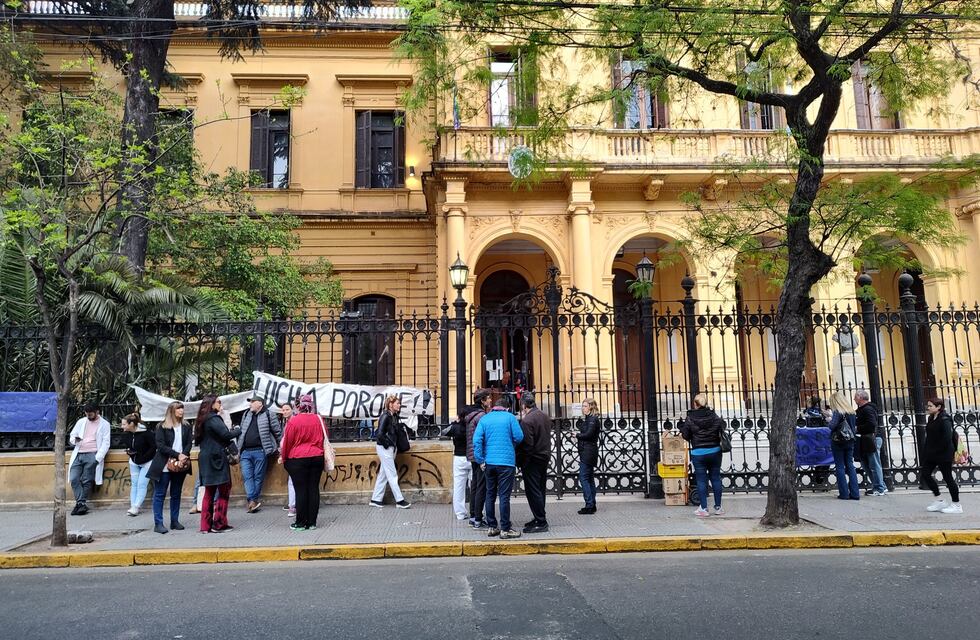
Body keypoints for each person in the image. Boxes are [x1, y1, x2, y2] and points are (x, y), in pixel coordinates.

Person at [473, 395, 524, 538]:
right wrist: (510, 444)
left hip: (489, 462)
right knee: (504, 496)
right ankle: (505, 529)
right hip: (506, 463)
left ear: (494, 407)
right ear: (506, 407)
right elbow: (519, 437)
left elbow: (477, 441)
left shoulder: (485, 418)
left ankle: (492, 526)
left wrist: (480, 460)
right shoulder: (510, 418)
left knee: (490, 494)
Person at [195, 396, 242, 533]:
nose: (220, 404)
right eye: (218, 402)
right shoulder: (213, 419)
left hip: (205, 457)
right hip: (216, 458)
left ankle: (205, 525)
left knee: (209, 491)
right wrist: (238, 429)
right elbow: (226, 434)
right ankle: (219, 523)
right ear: (212, 404)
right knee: (224, 488)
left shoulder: (201, 420)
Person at [280, 394, 326, 530]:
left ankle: (300, 522)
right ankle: (312, 522)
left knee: (300, 490)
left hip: (297, 458)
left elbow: (287, 442)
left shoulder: (294, 421)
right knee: (313, 489)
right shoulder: (319, 419)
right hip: (317, 457)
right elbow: (325, 437)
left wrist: (284, 458)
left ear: (298, 406)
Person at [148, 401, 193, 534]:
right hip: (164, 465)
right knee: (160, 494)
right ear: (172, 411)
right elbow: (160, 446)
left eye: (182, 409)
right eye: (178, 409)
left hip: (180, 464)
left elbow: (189, 442)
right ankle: (158, 523)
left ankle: (175, 520)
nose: (181, 411)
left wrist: (183, 455)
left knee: (176, 493)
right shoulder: (162, 426)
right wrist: (177, 454)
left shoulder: (186, 426)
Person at [680, 393, 725, 516]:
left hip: (698, 453)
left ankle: (704, 508)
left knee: (701, 480)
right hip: (715, 451)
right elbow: (721, 428)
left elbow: (685, 435)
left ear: (695, 404)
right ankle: (718, 507)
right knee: (715, 478)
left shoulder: (690, 418)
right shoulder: (714, 416)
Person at [237, 393, 282, 514]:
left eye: (252, 402)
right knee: (247, 476)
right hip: (245, 451)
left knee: (258, 477)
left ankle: (252, 501)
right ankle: (253, 500)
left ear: (260, 404)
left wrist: (281, 447)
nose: (250, 404)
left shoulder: (269, 414)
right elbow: (242, 430)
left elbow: (277, 432)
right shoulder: (246, 414)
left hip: (261, 451)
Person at [67, 403, 111, 516]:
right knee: (74, 478)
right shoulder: (81, 421)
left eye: (91, 414)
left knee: (87, 480)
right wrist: (75, 440)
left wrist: (97, 458)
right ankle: (81, 504)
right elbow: (72, 435)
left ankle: (80, 504)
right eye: (87, 414)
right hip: (78, 453)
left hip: (93, 454)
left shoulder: (105, 424)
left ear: (97, 412)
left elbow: (106, 443)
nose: (88, 416)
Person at [370, 395, 412, 509]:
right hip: (385, 448)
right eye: (397, 403)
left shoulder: (393, 416)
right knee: (392, 475)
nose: (399, 405)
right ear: (390, 404)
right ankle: (399, 500)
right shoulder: (385, 416)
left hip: (389, 448)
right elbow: (379, 434)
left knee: (383, 474)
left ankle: (375, 499)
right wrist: (387, 444)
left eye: (399, 403)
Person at [517, 393, 552, 533]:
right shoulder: (544, 416)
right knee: (540, 489)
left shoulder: (527, 421)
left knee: (533, 491)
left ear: (524, 405)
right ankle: (538, 517)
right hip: (544, 456)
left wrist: (522, 461)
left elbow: (528, 445)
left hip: (532, 459)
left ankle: (541, 521)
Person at [922, 397, 962, 514]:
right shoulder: (931, 418)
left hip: (944, 453)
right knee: (925, 474)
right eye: (928, 406)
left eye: (930, 406)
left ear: (938, 407)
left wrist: (935, 451)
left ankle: (956, 504)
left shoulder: (945, 419)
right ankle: (939, 500)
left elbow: (946, 439)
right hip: (933, 453)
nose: (928, 408)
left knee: (948, 478)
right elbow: (930, 437)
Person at [464, 389, 493, 528]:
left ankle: (473, 515)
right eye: (488, 398)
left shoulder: (471, 415)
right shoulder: (481, 416)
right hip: (479, 454)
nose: (490, 400)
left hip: (472, 453)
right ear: (482, 401)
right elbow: (483, 437)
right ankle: (478, 519)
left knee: (475, 484)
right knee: (481, 486)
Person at [827, 391, 860, 501]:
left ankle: (844, 493)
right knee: (850, 465)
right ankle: (855, 493)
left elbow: (832, 426)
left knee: (840, 466)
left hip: (838, 441)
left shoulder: (838, 412)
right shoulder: (851, 412)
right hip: (850, 441)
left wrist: (828, 420)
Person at [122, 412, 156, 517]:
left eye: (124, 424)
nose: (122, 426)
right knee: (135, 484)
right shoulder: (127, 434)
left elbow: (153, 447)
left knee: (142, 484)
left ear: (131, 424)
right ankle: (133, 506)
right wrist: (130, 453)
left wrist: (143, 458)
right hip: (133, 461)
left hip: (147, 462)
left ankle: (136, 506)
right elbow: (129, 446)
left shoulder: (146, 433)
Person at [854, 390, 887, 496]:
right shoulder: (863, 409)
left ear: (861, 398)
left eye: (855, 397)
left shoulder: (867, 409)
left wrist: (857, 428)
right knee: (866, 464)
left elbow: (871, 425)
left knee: (874, 464)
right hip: (866, 439)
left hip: (871, 439)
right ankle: (880, 485)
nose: (854, 399)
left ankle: (879, 488)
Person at [576, 397, 601, 515]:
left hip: (588, 452)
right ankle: (592, 504)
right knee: (589, 478)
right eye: (582, 406)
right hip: (587, 451)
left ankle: (589, 504)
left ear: (591, 407)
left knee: (583, 477)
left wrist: (577, 435)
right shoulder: (589, 419)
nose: (583, 408)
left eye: (585, 406)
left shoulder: (593, 419)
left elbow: (589, 434)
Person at [448, 405, 472, 520]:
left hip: (458, 458)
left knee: (458, 487)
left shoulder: (455, 427)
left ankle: (460, 513)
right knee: (475, 485)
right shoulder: (472, 426)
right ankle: (477, 511)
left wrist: (454, 423)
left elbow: (444, 432)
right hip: (471, 458)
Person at [804, 395, 830, 486]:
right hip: (821, 436)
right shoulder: (820, 411)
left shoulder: (809, 411)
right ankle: (823, 476)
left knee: (818, 457)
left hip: (813, 437)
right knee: (823, 457)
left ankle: (819, 477)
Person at [278, 401, 297, 517]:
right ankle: (293, 504)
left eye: (287, 409)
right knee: (292, 480)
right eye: (283, 410)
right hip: (289, 454)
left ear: (292, 409)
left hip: (293, 454)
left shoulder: (293, 422)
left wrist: (282, 453)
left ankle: (293, 505)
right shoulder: (286, 422)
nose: (285, 412)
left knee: (292, 481)